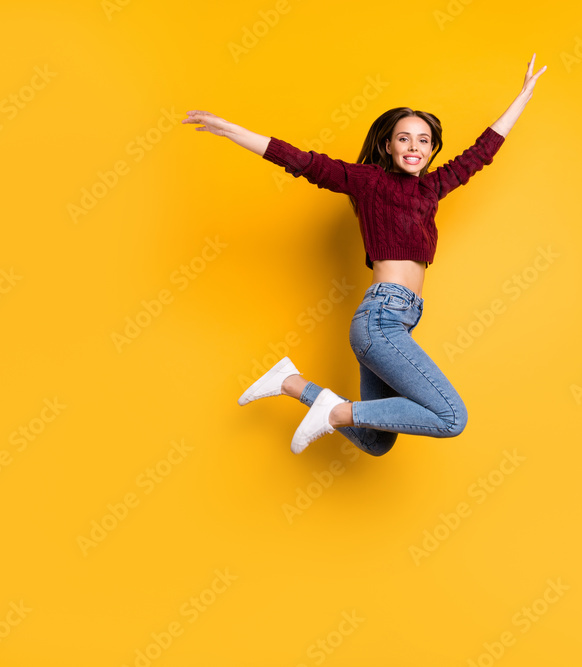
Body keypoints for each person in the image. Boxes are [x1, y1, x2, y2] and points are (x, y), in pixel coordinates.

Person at [183, 53, 546, 456]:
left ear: (431, 149)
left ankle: (292, 383)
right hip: (381, 319)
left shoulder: (432, 189)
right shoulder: (370, 182)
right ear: (388, 145)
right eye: (404, 138)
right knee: (450, 418)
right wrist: (231, 130)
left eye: (423, 140)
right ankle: (334, 414)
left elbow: (481, 152)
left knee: (375, 441)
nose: (414, 147)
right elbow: (304, 162)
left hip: (402, 319)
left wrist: (523, 97)